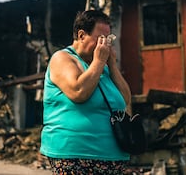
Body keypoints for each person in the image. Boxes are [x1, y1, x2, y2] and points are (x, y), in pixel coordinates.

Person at [40, 10, 132, 175]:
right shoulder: (62, 58)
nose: (105, 45)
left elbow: (124, 99)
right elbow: (79, 92)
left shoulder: (102, 66)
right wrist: (98, 61)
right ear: (82, 35)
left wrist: (111, 65)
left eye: (108, 40)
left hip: (111, 156)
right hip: (76, 156)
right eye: (101, 39)